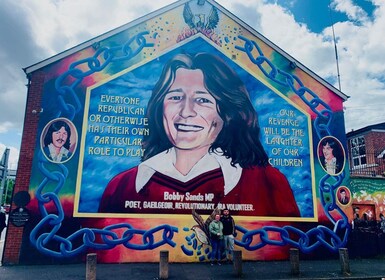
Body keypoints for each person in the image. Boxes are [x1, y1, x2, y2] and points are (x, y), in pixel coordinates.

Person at [99, 53, 300, 217]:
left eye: (202, 100)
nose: (186, 111)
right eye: (176, 97)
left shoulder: (267, 184)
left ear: (226, 113)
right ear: (160, 107)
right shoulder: (122, 187)